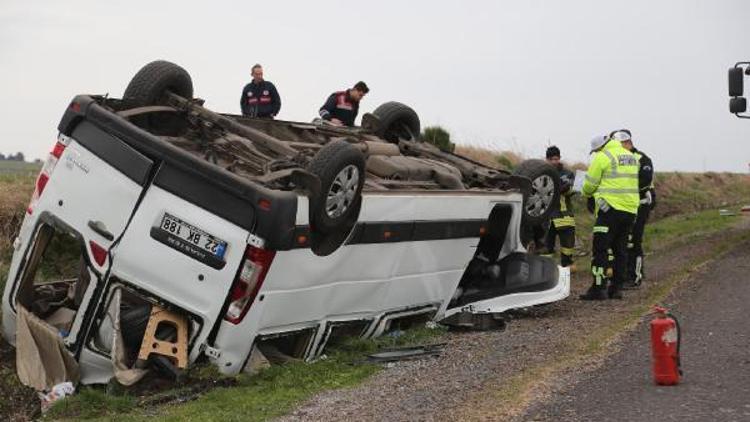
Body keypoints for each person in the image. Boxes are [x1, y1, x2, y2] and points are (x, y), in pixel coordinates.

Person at [579, 132, 640, 300]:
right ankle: (616, 288)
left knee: (600, 249)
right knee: (620, 250)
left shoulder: (602, 157)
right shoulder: (631, 156)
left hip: (609, 211)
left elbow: (589, 186)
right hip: (630, 210)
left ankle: (598, 288)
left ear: (599, 148)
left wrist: (584, 191)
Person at [617, 129, 656, 288]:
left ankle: (635, 276)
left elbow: (645, 180)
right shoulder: (618, 158)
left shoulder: (642, 158)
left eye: (620, 145)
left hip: (641, 203)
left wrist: (625, 190)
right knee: (624, 240)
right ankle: (626, 272)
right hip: (626, 204)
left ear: (628, 143)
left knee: (634, 240)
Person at [544, 145, 577, 268]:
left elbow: (573, 190)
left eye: (556, 158)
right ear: (547, 159)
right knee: (546, 247)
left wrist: (566, 189)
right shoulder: (542, 172)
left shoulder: (567, 173)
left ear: (560, 158)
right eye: (551, 159)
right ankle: (546, 269)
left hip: (564, 215)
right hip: (546, 217)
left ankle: (567, 266)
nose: (554, 161)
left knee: (567, 246)